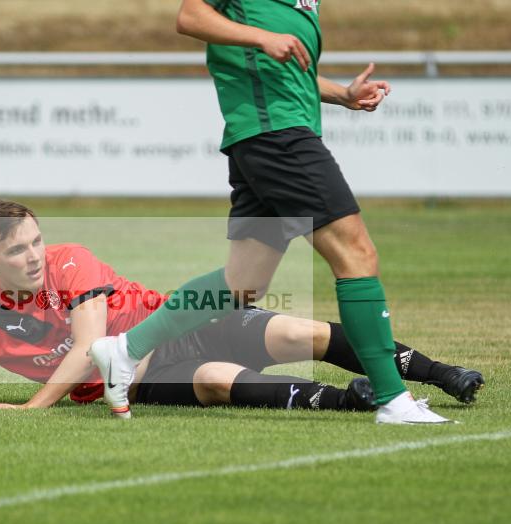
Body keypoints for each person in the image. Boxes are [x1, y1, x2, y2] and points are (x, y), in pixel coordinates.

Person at [89, 0, 458, 424]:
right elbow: (190, 15)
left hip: (264, 136)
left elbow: (282, 68)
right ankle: (393, 401)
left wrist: (343, 94)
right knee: (356, 255)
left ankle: (125, 349)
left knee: (242, 283)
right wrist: (263, 36)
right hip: (276, 135)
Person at [0, 201, 483, 414]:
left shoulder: (71, 261)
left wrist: (31, 409)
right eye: (15, 249)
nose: (32, 254)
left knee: (299, 329)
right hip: (140, 375)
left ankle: (440, 373)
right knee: (214, 384)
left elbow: (89, 338)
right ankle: (357, 403)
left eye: (34, 240)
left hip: (174, 324)